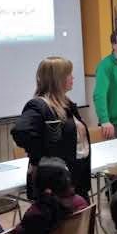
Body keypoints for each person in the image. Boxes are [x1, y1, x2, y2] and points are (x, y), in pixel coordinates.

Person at [12, 57, 92, 198]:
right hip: (54, 185)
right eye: (68, 74)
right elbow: (20, 132)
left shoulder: (65, 103)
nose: (73, 77)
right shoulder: (39, 105)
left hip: (75, 177)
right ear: (58, 79)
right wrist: (43, 155)